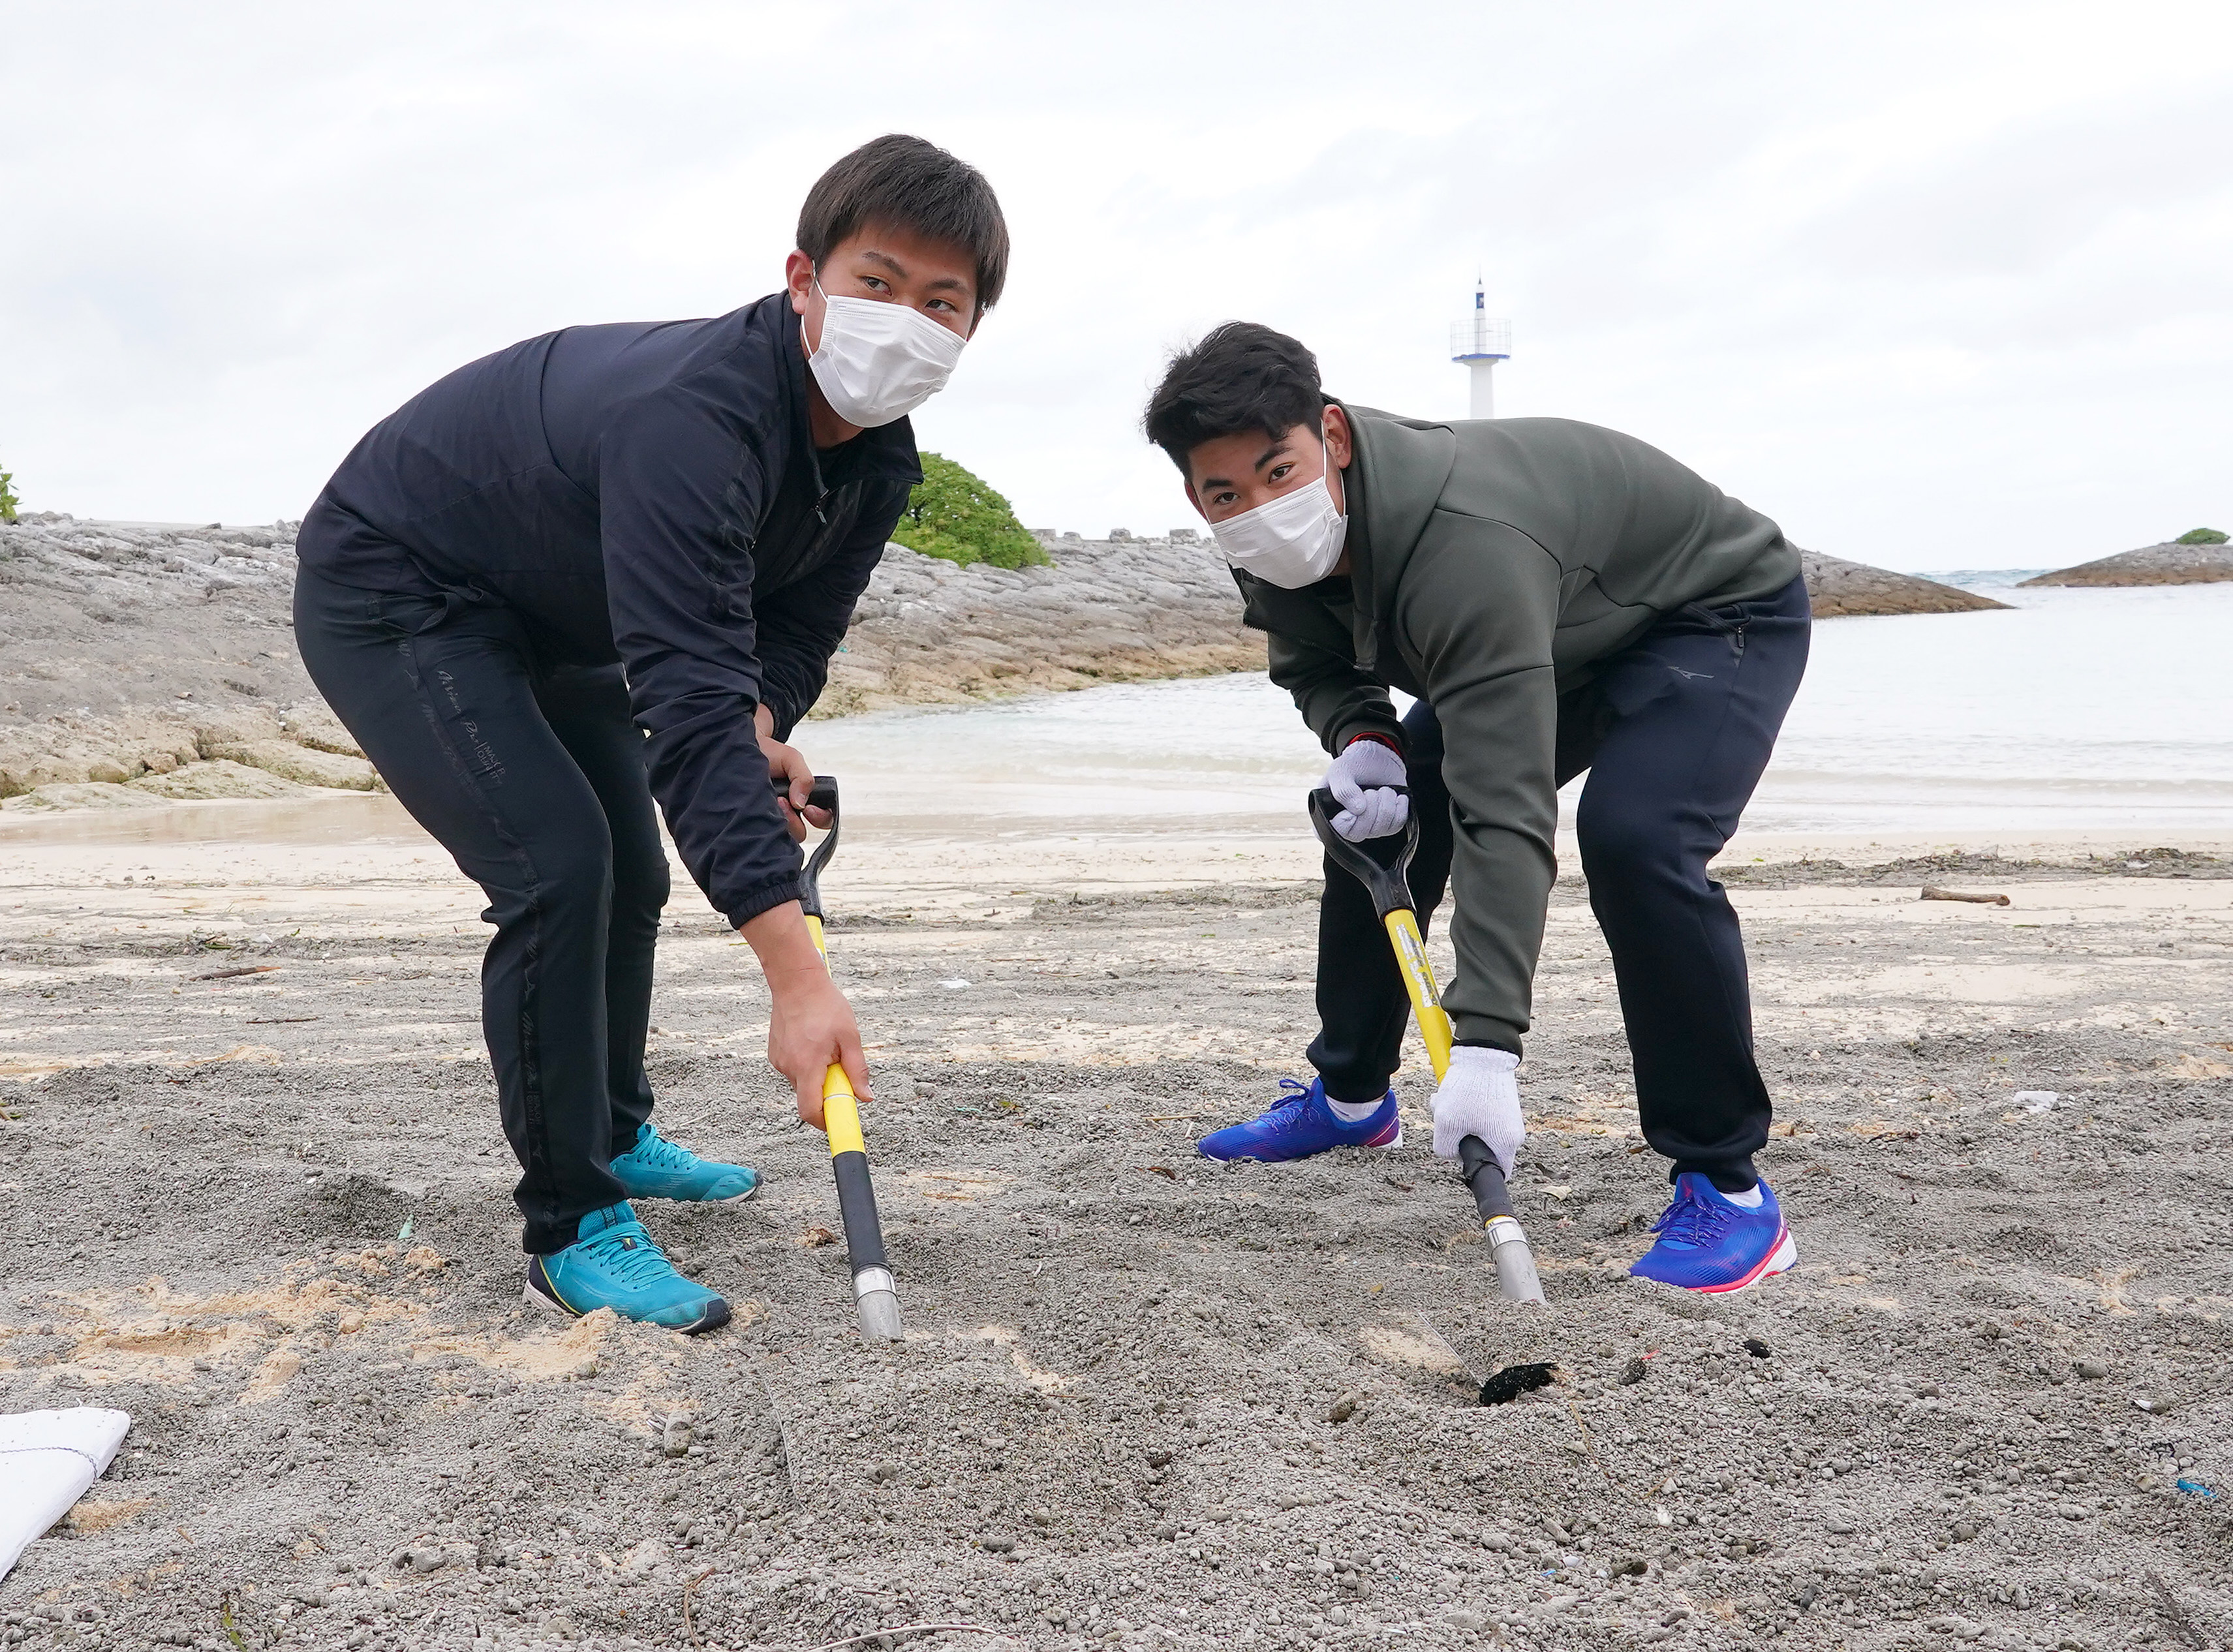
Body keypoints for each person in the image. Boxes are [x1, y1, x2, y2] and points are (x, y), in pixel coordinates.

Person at [293, 135, 1008, 1330]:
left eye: (943, 302)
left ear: (971, 330)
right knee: (559, 867)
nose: (906, 319)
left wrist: (765, 723)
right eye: (877, 284)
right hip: (400, 583)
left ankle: (616, 1133)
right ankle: (571, 1225)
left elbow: (785, 635)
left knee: (630, 868)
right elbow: (682, 705)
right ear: (803, 280)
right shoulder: (696, 421)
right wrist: (797, 978)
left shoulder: (880, 463)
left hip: (560, 612)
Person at [1143, 323, 1811, 1294]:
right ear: (1196, 493)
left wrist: (1487, 1047)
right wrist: (1363, 739)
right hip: (1562, 622)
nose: (1257, 506)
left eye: (1276, 470)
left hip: (1709, 612)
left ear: (1329, 435)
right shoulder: (1256, 526)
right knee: (1382, 811)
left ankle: (1729, 1188)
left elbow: (1504, 809)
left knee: (1635, 839)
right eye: (1224, 494)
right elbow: (1311, 656)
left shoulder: (1466, 548)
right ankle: (1350, 1096)